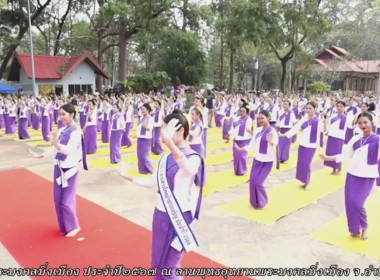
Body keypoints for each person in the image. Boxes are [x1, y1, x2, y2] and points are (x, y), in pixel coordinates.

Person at [118, 110, 205, 280]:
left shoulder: (193, 157)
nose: (162, 133)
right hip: (160, 216)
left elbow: (189, 169)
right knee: (157, 263)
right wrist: (126, 176)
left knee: (169, 267)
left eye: (166, 129)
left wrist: (169, 143)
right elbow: (153, 182)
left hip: (179, 217)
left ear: (179, 131)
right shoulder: (165, 158)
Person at [29, 103, 87, 237]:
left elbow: (68, 150)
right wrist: (42, 155)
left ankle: (74, 226)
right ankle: (64, 227)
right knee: (57, 199)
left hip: (69, 169)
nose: (60, 117)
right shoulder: (62, 130)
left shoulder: (76, 132)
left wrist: (55, 143)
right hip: (58, 167)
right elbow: (55, 149)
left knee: (66, 201)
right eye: (59, 114)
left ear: (71, 114)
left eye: (63, 114)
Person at [320, 112, 380, 240]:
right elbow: (346, 154)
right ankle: (354, 229)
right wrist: (328, 158)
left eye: (365, 122)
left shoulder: (377, 139)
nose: (362, 125)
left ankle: (364, 226)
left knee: (358, 204)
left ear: (371, 123)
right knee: (350, 204)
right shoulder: (355, 138)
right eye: (360, 123)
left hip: (367, 176)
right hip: (352, 174)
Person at [235, 110, 278, 209]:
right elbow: (252, 144)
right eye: (259, 118)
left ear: (268, 118)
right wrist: (241, 149)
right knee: (253, 182)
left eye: (262, 118)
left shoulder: (272, 131)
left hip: (267, 162)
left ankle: (263, 202)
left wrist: (270, 142)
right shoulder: (258, 130)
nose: (260, 120)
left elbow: (275, 144)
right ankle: (255, 202)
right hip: (257, 160)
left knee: (259, 183)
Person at [279, 101, 323, 189]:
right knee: (301, 163)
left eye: (310, 108)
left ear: (315, 109)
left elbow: (321, 134)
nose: (308, 110)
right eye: (307, 108)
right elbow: (296, 128)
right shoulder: (304, 118)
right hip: (303, 143)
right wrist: (285, 134)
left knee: (307, 164)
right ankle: (304, 180)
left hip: (311, 146)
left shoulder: (318, 121)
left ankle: (307, 182)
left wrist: (319, 146)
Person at [228, 103, 253, 176]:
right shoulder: (236, 118)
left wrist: (249, 130)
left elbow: (249, 129)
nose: (241, 113)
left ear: (247, 112)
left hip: (244, 140)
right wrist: (230, 134)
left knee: (242, 156)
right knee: (236, 156)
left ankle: (242, 170)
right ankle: (236, 170)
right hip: (236, 140)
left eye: (243, 111)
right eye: (240, 111)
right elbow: (233, 128)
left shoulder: (249, 120)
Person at [323, 100, 347, 175]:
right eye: (338, 106)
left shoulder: (346, 117)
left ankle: (339, 168)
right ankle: (334, 169)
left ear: (344, 108)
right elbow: (329, 125)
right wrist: (326, 130)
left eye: (341, 106)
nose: (339, 108)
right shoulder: (333, 116)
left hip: (339, 138)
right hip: (331, 136)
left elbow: (350, 125)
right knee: (331, 153)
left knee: (338, 153)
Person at [137, 103, 154, 174]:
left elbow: (150, 128)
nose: (142, 111)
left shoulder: (150, 119)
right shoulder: (141, 118)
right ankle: (142, 170)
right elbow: (138, 127)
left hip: (146, 139)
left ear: (148, 110)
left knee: (144, 155)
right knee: (139, 155)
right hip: (140, 138)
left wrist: (145, 126)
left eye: (143, 109)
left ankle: (150, 169)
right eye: (141, 109)